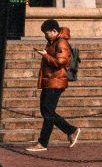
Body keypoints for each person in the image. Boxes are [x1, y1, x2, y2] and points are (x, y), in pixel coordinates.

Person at [25, 18, 79, 152]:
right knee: (45, 111)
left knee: (48, 112)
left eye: (46, 32)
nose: (45, 35)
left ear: (54, 31)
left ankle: (43, 143)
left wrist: (45, 56)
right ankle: (71, 130)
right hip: (50, 81)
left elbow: (60, 62)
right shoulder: (52, 42)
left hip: (56, 81)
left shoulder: (61, 43)